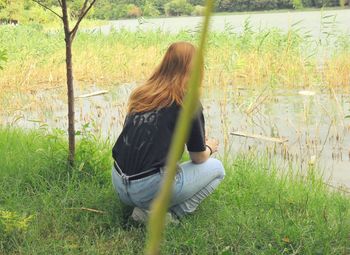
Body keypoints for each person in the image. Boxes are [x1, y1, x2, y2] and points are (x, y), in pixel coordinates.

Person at [111, 41, 225, 222]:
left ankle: (144, 209)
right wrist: (210, 147)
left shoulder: (142, 93)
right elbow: (198, 157)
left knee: (168, 167)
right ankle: (168, 216)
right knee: (217, 168)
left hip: (119, 182)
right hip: (148, 187)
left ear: (166, 63)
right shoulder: (188, 102)